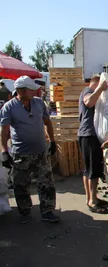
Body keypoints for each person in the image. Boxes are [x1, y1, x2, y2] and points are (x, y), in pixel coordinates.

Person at [0, 76, 59, 224]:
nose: (34, 91)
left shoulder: (39, 103)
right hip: (21, 154)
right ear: (20, 90)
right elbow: (4, 132)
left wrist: (52, 141)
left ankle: (48, 211)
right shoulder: (9, 107)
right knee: (21, 186)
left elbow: (47, 122)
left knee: (46, 183)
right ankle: (25, 212)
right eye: (30, 89)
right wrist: (4, 152)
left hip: (40, 152)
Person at [78, 75, 108, 214]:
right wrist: (100, 89)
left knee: (88, 169)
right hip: (89, 135)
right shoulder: (88, 91)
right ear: (96, 83)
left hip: (86, 135)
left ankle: (91, 198)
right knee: (93, 170)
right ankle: (93, 201)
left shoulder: (90, 91)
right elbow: (89, 103)